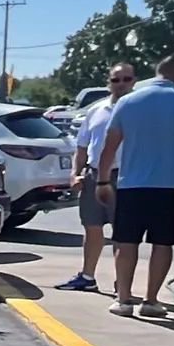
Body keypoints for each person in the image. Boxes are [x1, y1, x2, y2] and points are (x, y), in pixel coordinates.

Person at [95, 52, 174, 317]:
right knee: (163, 244)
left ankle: (123, 300)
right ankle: (151, 301)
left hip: (131, 184)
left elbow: (110, 145)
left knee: (126, 241)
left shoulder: (128, 101)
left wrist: (102, 180)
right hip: (170, 186)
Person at [57, 62, 136, 291]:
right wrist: (75, 174)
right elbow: (82, 147)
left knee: (122, 232)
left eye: (126, 79)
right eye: (115, 79)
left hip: (125, 176)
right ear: (108, 82)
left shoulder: (138, 111)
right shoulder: (96, 110)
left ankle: (122, 284)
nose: (121, 84)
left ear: (134, 81)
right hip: (93, 175)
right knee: (92, 227)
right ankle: (87, 277)